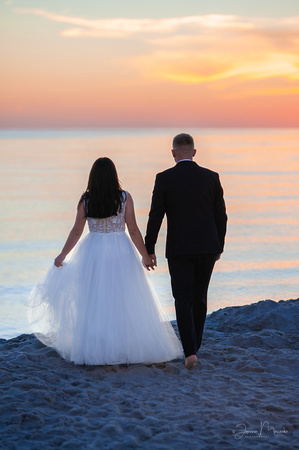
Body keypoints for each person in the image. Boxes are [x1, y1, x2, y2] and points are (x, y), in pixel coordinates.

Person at [28, 157, 183, 365]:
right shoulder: (124, 198)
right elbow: (134, 229)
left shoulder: (86, 201)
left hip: (93, 251)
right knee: (123, 298)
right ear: (114, 176)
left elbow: (76, 231)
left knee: (95, 299)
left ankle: (97, 349)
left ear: (93, 177)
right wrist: (145, 256)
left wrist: (62, 255)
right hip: (120, 250)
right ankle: (124, 347)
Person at [145, 133, 227, 370]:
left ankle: (190, 351)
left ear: (173, 153)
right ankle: (196, 346)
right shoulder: (211, 177)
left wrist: (150, 247)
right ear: (193, 152)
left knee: (182, 298)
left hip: (179, 248)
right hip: (207, 247)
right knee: (200, 297)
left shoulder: (164, 178)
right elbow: (221, 216)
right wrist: (219, 245)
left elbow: (155, 216)